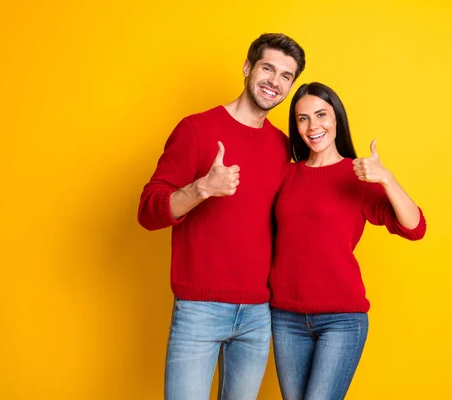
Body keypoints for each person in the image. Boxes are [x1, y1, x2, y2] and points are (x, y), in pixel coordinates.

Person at [137, 33, 306, 400]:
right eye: (267, 68)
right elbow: (148, 211)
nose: (274, 82)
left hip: (259, 314)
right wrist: (201, 188)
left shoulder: (281, 145)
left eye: (285, 76)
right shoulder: (196, 129)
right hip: (199, 309)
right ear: (247, 68)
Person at [270, 82, 427, 400]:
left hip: (341, 319)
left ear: (337, 119)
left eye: (321, 115)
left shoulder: (357, 176)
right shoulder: (285, 175)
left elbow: (415, 227)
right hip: (285, 317)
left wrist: (387, 178)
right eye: (302, 118)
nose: (313, 126)